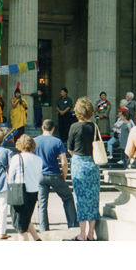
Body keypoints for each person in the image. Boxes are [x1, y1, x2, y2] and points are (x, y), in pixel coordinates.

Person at [34, 119, 78, 233]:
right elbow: (64, 162)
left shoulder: (35, 141)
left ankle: (44, 230)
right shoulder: (57, 141)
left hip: (40, 176)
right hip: (54, 174)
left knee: (42, 204)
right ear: (53, 128)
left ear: (42, 128)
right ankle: (73, 226)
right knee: (67, 197)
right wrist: (64, 175)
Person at [67, 97, 101, 241]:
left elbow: (70, 148)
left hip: (79, 164)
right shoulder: (95, 126)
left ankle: (82, 233)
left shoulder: (74, 127)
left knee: (80, 198)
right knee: (93, 198)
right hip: (93, 164)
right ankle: (91, 233)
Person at [8, 134, 43, 241]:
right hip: (34, 192)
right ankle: (37, 239)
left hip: (19, 192)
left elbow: (10, 178)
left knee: (21, 227)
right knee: (26, 218)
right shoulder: (38, 159)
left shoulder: (16, 158)